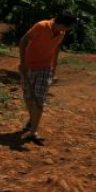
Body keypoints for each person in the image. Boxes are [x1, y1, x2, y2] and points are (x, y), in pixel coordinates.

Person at [18, 11, 78, 144]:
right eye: (68, 27)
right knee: (28, 97)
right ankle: (32, 121)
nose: (68, 30)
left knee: (39, 99)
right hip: (28, 67)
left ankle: (33, 132)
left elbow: (56, 49)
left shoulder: (61, 33)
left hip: (45, 68)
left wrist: (54, 68)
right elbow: (23, 41)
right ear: (62, 23)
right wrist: (22, 63)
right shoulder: (41, 26)